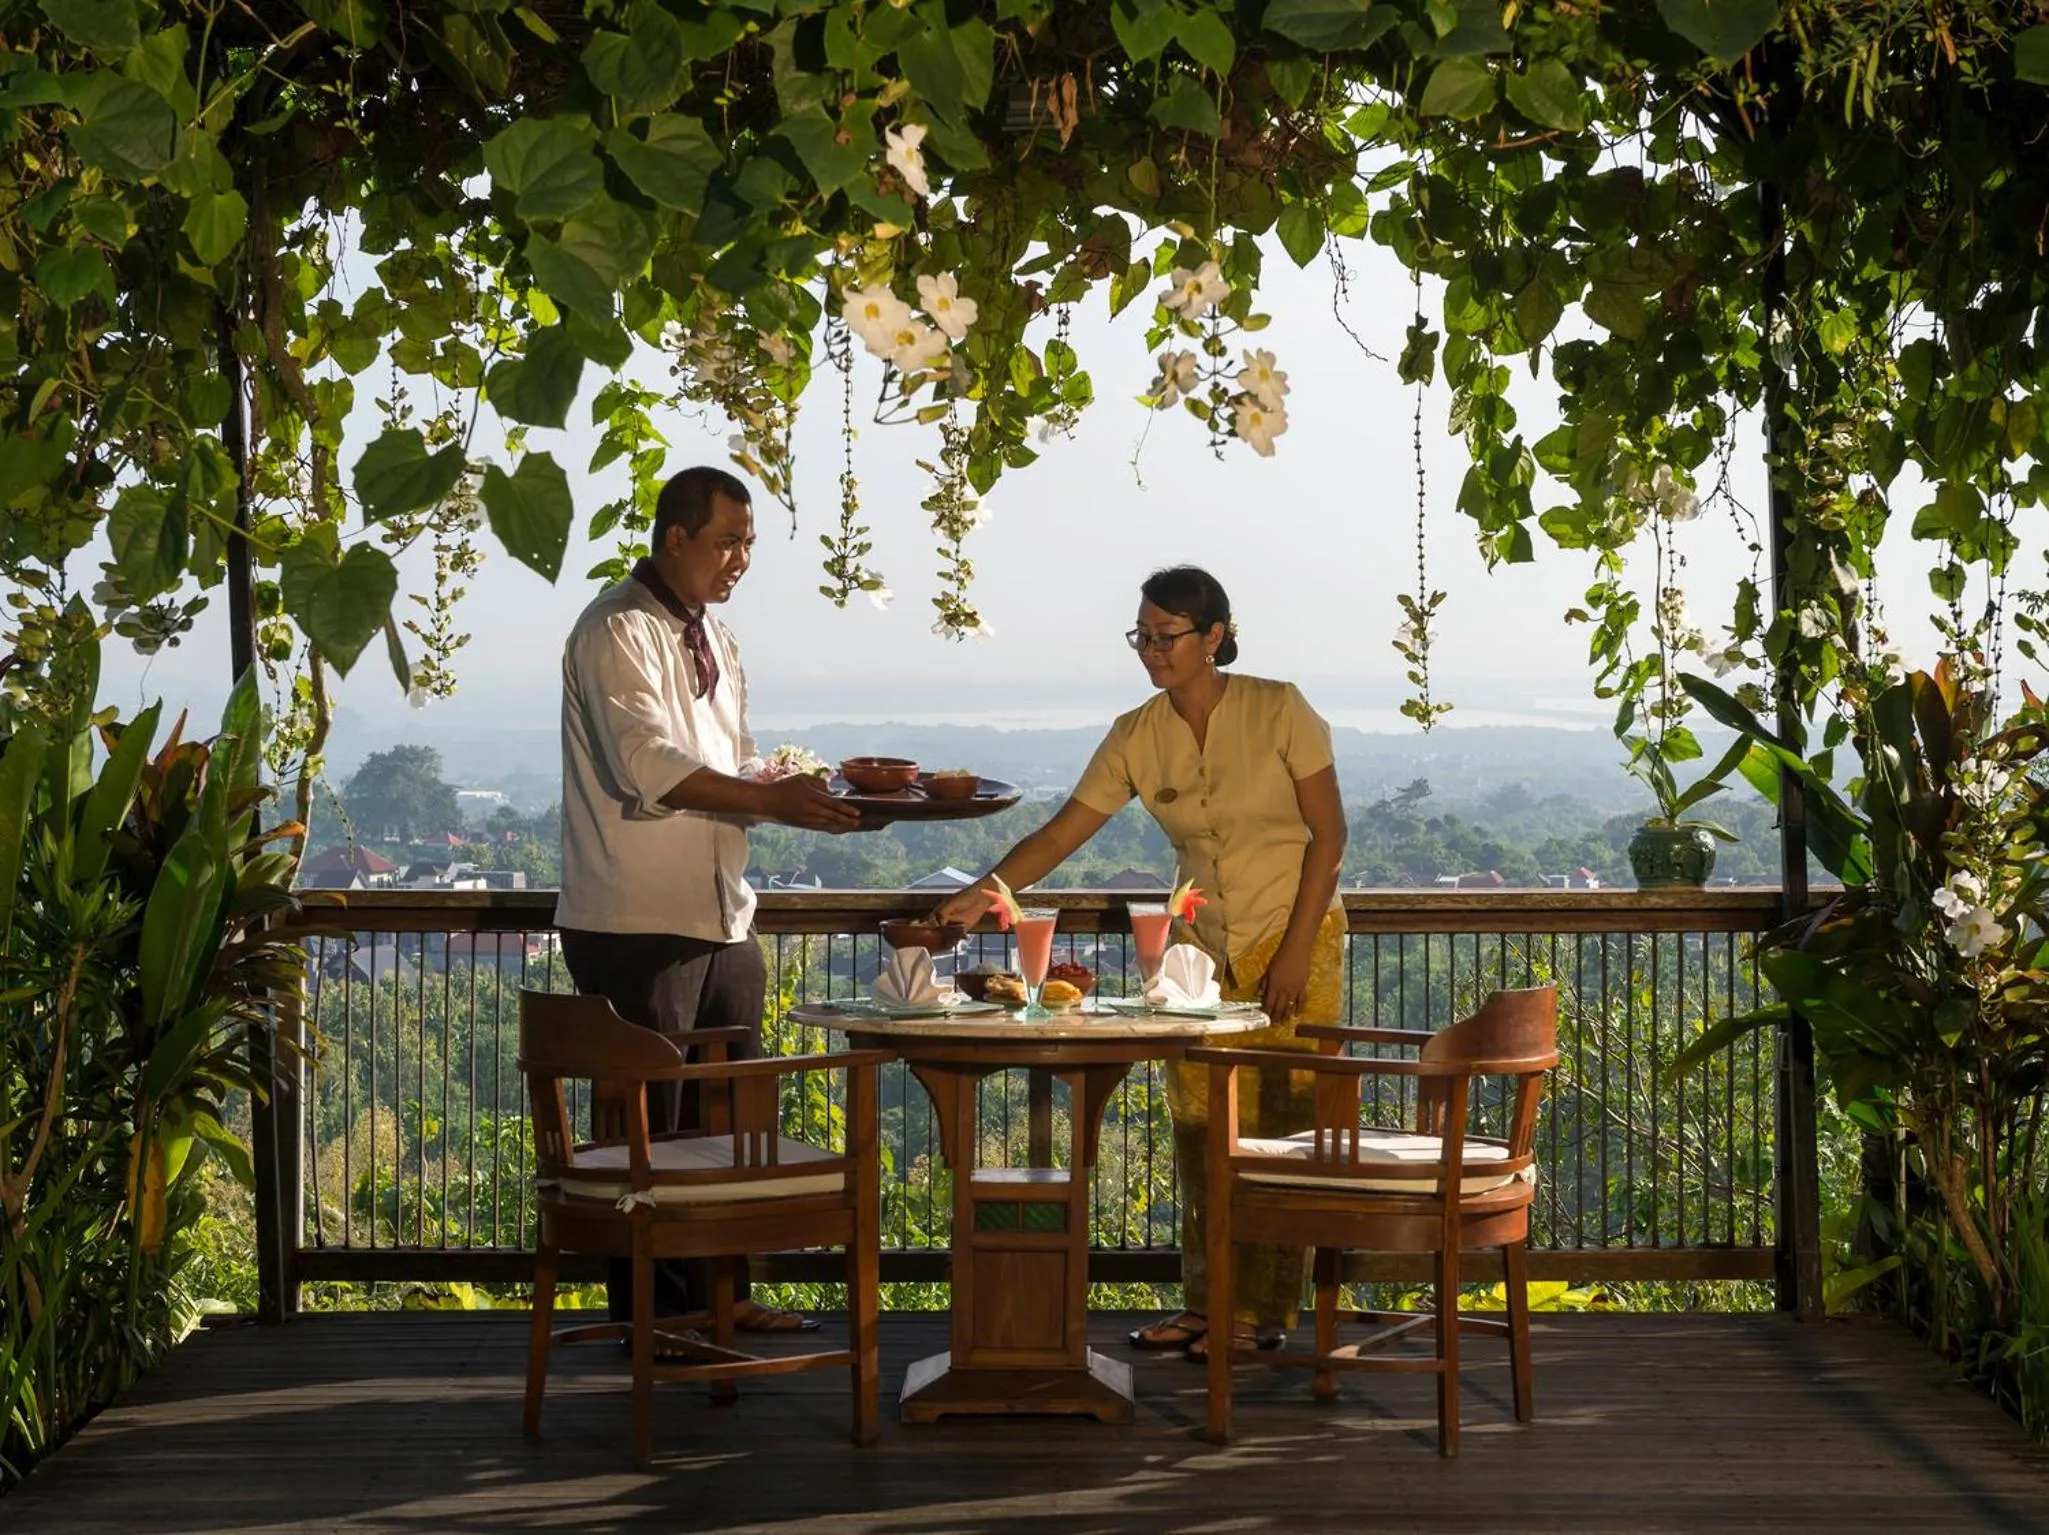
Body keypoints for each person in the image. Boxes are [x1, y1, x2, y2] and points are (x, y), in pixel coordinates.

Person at [935, 566, 1347, 1361]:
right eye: (1142, 637)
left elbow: (1328, 838)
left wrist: (1294, 950)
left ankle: (1264, 1313)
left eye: (1166, 636)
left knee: (1282, 1127)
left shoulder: (1280, 707)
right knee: (1198, 1130)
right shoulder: (1136, 731)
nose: (1151, 650)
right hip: (1200, 947)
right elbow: (1060, 834)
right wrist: (986, 892)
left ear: (1214, 637)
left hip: (1295, 932)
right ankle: (1206, 1302)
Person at [557, 465, 860, 1334]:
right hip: (635, 917)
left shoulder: (713, 640)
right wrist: (771, 800)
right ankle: (656, 1321)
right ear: (674, 537)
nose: (740, 560)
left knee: (728, 1118)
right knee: (650, 1131)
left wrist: (791, 789)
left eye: (749, 544)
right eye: (728, 541)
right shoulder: (616, 628)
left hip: (723, 911)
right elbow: (646, 767)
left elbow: (734, 760)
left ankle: (724, 1298)